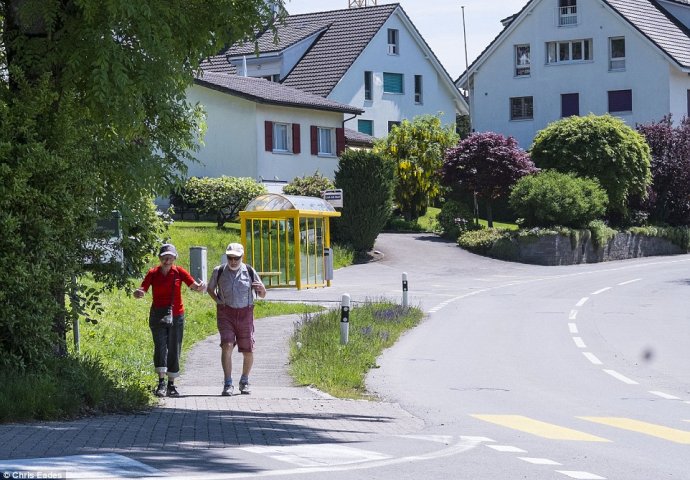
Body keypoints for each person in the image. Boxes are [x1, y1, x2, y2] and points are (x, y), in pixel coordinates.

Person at [133, 243, 205, 397]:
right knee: (160, 347)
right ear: (160, 258)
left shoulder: (179, 272)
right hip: (157, 315)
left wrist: (201, 287)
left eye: (170, 257)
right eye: (165, 257)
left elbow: (194, 286)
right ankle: (161, 383)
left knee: (174, 347)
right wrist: (138, 293)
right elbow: (142, 289)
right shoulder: (153, 273)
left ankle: (171, 384)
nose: (167, 260)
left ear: (174, 258)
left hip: (176, 315)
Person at [207, 242, 266, 396]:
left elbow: (262, 294)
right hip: (226, 314)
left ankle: (244, 380)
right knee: (226, 344)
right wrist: (218, 301)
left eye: (236, 258)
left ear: (242, 257)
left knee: (248, 349)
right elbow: (210, 288)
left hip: (245, 314)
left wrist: (262, 290)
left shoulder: (249, 271)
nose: (233, 261)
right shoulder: (219, 271)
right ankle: (228, 383)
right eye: (230, 257)